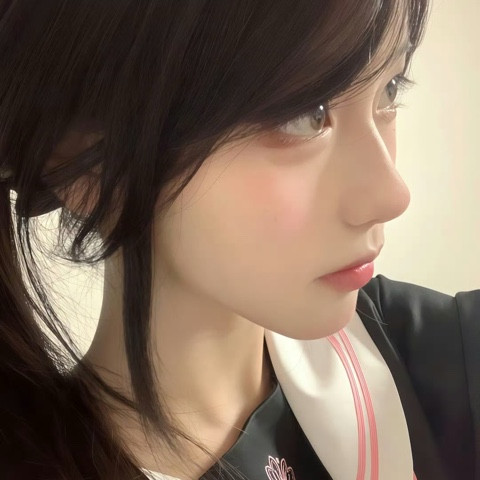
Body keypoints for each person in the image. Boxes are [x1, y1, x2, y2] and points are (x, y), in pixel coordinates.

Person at [0, 1, 477, 479]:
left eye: (389, 89)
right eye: (303, 114)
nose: (391, 195)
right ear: (88, 165)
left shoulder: (440, 354)